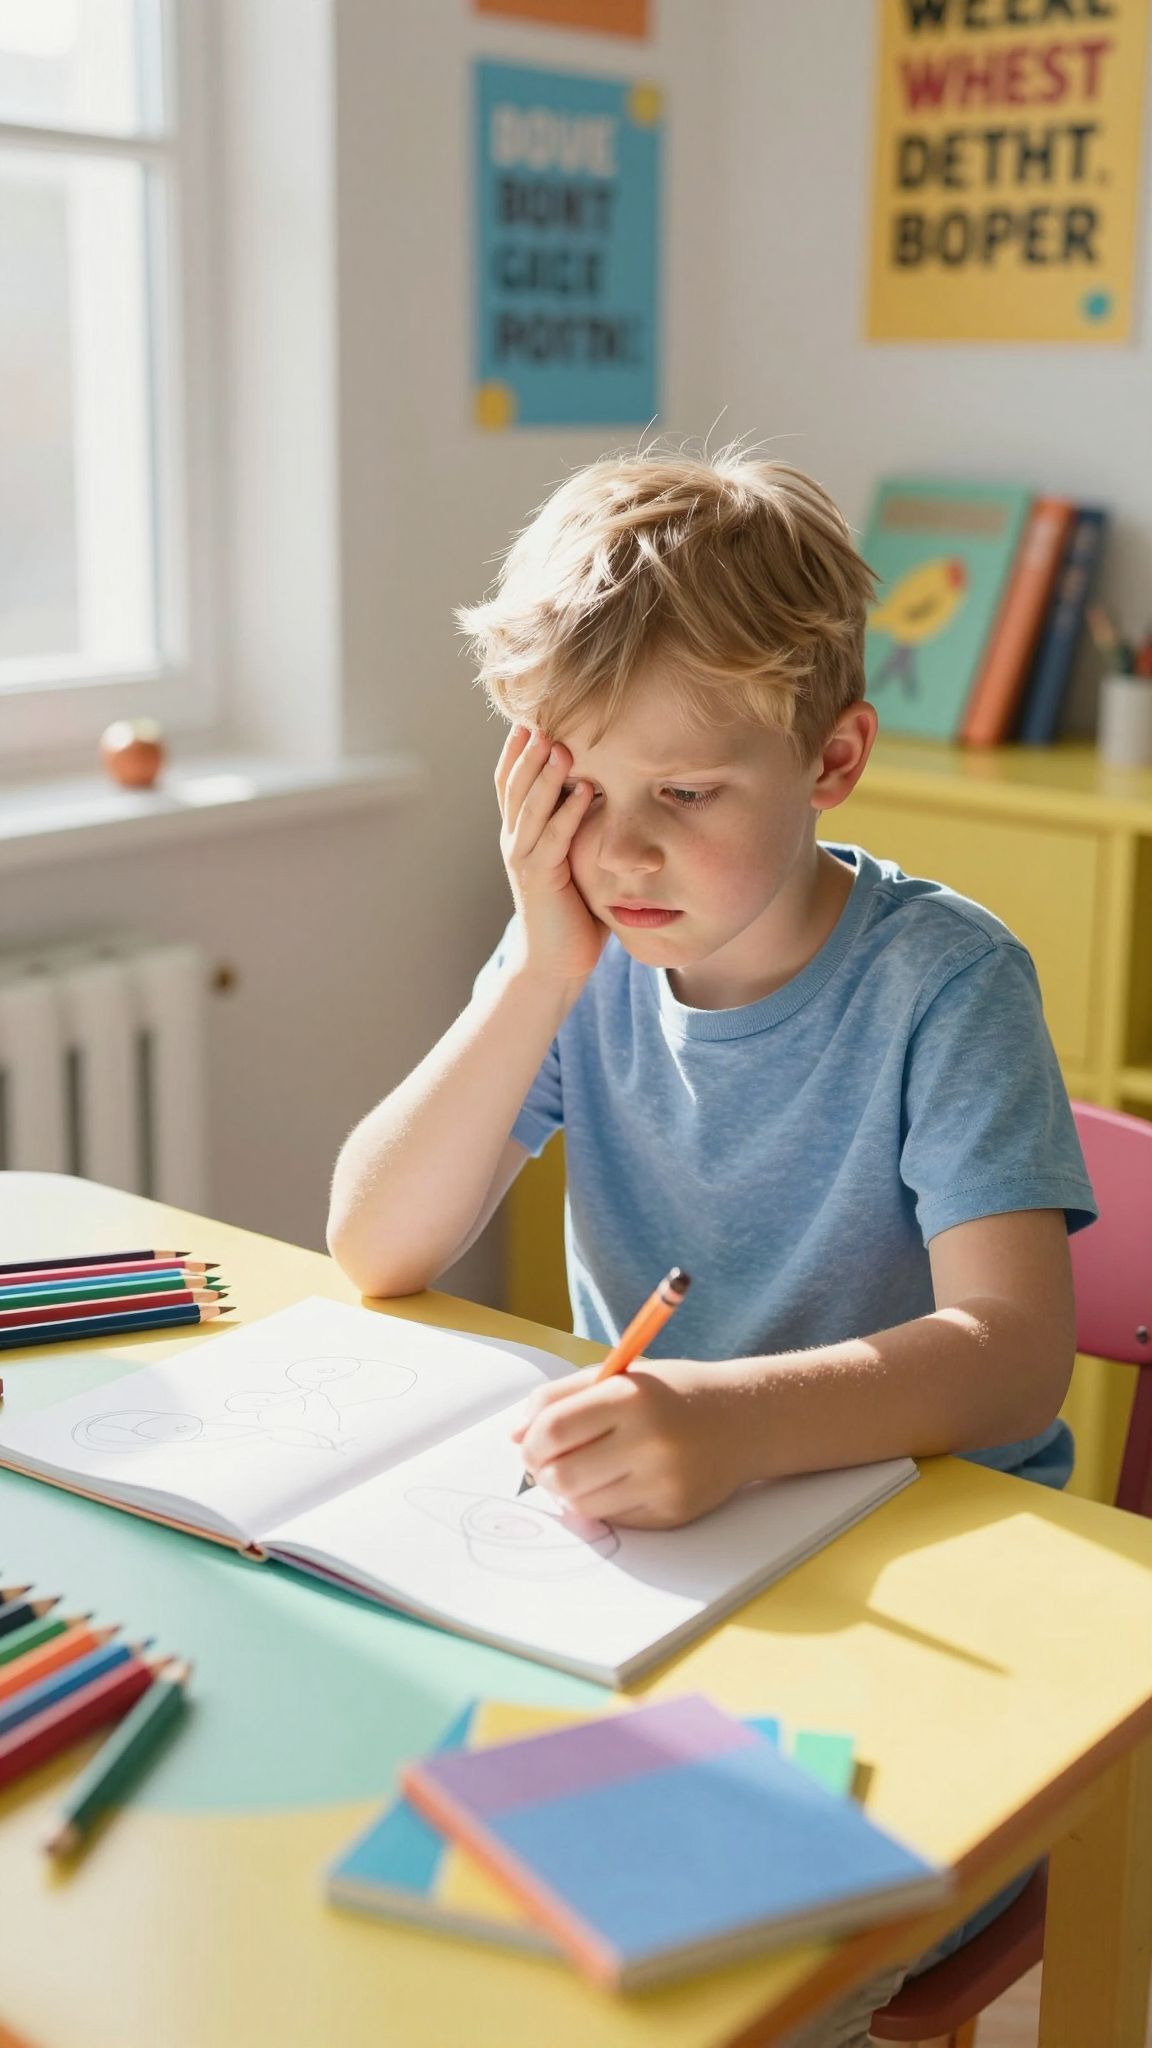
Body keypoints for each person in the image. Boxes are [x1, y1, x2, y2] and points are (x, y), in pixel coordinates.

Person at [327, 446, 1096, 2045]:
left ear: (834, 759)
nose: (623, 853)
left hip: (934, 1602)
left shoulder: (946, 987)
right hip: (667, 1577)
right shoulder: (588, 951)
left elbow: (1017, 1355)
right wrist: (533, 972)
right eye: (578, 793)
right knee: (445, 1927)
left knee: (714, 1989)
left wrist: (730, 1422)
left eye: (685, 795)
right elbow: (373, 1244)